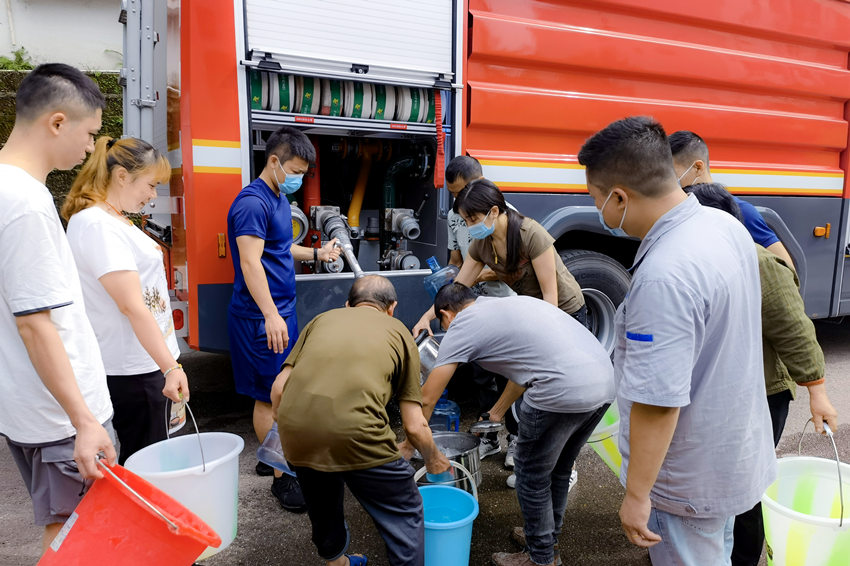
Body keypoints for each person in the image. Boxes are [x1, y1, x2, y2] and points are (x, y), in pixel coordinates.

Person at [577, 116, 776, 565]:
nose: (600, 212)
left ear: (620, 197)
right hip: (733, 452)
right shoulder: (723, 227)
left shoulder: (664, 276)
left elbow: (658, 402)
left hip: (686, 477)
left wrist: (637, 495)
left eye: (596, 199)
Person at [684, 182, 839, 566]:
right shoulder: (699, 258)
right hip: (721, 390)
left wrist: (817, 392)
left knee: (745, 484)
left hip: (762, 392)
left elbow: (795, 330)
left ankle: (742, 558)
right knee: (716, 477)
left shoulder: (758, 262)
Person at [0, 63, 116, 555]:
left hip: (32, 406)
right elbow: (35, 325)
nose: (91, 148)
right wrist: (85, 421)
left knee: (72, 531)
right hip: (61, 418)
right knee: (73, 537)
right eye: (90, 134)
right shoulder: (25, 201)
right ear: (57, 122)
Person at [416, 283, 614, 566]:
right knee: (558, 470)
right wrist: (496, 412)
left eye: (443, 322)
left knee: (531, 476)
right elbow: (524, 369)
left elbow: (428, 399)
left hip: (561, 391)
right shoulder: (507, 305)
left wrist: (410, 441)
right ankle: (544, 537)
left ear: (446, 314)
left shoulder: (462, 325)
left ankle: (541, 557)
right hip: (604, 383)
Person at [270, 275, 450, 566]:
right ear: (392, 307)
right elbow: (414, 425)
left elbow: (279, 387)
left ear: (348, 305)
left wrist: (293, 426)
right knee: (405, 510)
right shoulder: (399, 331)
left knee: (322, 498)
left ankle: (337, 562)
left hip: (295, 430)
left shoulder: (322, 320)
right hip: (359, 433)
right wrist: (433, 459)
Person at [227, 125, 341, 512]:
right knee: (270, 395)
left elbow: (279, 249)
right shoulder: (252, 203)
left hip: (279, 311)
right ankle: (282, 479)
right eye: (295, 169)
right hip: (262, 317)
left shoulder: (276, 197)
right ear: (274, 161)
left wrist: (317, 254)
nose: (299, 178)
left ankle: (270, 456)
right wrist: (271, 314)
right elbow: (250, 260)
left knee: (281, 387)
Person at [62, 136, 190, 465]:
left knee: (155, 458)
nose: (152, 195)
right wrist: (170, 366)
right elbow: (131, 306)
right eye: (150, 185)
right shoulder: (98, 225)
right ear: (122, 176)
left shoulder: (112, 218)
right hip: (136, 368)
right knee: (148, 463)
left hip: (146, 361)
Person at [442, 155, 516, 463]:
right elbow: (457, 260)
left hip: (504, 304)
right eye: (454, 194)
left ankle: (515, 438)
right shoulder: (454, 216)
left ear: (480, 183)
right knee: (482, 375)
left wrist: (469, 277)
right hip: (473, 306)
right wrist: (447, 281)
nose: (459, 200)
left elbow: (509, 269)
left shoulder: (506, 215)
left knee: (510, 374)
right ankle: (489, 438)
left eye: (462, 191)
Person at [668, 130, 795, 269]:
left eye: (673, 175)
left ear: (698, 167)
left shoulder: (743, 211)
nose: (669, 183)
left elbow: (787, 270)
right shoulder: (678, 211)